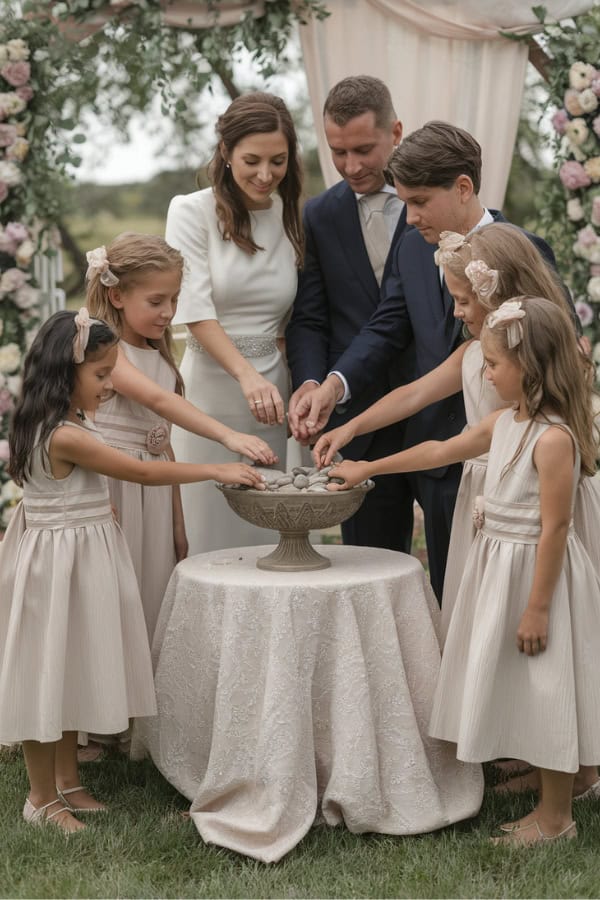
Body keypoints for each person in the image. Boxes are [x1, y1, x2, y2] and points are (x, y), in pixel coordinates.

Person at [327, 297, 600, 844]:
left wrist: (539, 607)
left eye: (495, 364)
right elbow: (439, 449)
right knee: (525, 686)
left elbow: (554, 529)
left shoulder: (553, 440)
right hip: (502, 576)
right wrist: (369, 466)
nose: (486, 372)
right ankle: (546, 804)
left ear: (532, 367)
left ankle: (556, 819)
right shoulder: (505, 423)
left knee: (549, 690)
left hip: (538, 583)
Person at [0, 310, 264, 832]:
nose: (107, 386)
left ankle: (69, 782)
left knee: (70, 664)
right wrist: (214, 466)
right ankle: (40, 798)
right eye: (99, 376)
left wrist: (94, 506)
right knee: (47, 674)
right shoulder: (65, 435)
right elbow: (141, 471)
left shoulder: (65, 423)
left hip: (78, 558)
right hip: (58, 571)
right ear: (63, 373)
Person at [292, 121, 578, 601]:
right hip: (434, 454)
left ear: (463, 187)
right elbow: (391, 332)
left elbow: (563, 350)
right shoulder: (411, 248)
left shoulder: (524, 251)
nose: (409, 218)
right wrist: (343, 409)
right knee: (454, 599)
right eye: (404, 202)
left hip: (515, 467)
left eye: (419, 202)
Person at [86, 232, 276, 642]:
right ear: (117, 296)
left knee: (151, 595)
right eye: (156, 302)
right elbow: (157, 400)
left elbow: (163, 443)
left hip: (153, 490)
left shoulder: (158, 353)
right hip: (115, 486)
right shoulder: (106, 350)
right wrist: (229, 436)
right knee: (118, 599)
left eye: (174, 300)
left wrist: (177, 520)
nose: (169, 312)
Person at [165, 91, 303, 554]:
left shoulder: (293, 216)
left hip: (273, 397)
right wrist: (246, 376)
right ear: (225, 153)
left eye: (278, 161)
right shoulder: (191, 211)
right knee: (207, 531)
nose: (266, 175)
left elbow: (294, 317)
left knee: (268, 532)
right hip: (210, 392)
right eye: (252, 160)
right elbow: (194, 309)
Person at [285, 75, 415, 556]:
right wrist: (311, 380)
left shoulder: (435, 200)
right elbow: (310, 316)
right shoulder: (319, 215)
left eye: (363, 149)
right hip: (356, 420)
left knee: (452, 564)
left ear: (395, 132)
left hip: (439, 413)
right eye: (338, 152)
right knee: (368, 561)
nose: (350, 165)